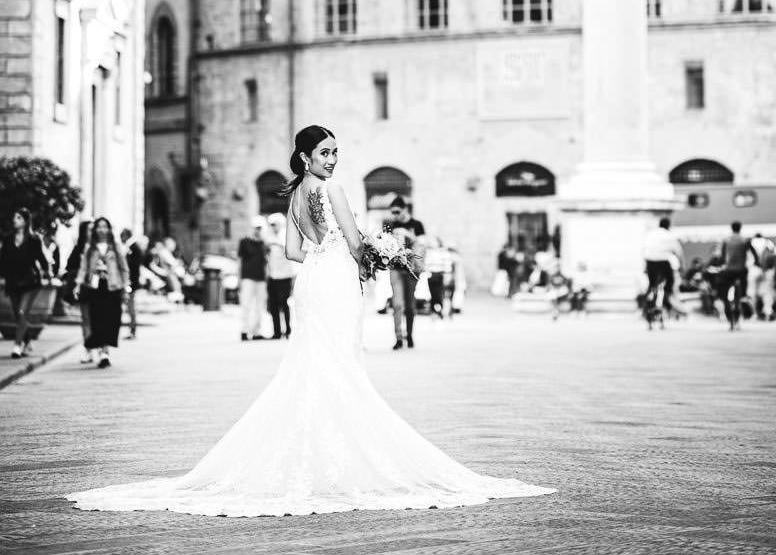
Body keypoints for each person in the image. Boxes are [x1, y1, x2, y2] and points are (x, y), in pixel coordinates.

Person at [68, 124, 555, 515]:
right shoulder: (333, 189)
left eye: (335, 152)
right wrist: (379, 251)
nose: (332, 159)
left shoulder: (295, 194)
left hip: (313, 284)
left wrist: (333, 258)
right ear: (305, 156)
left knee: (313, 363)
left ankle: (317, 450)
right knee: (340, 362)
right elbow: (355, 239)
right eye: (324, 152)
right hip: (336, 284)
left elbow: (294, 251)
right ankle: (342, 455)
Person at [75, 217, 130, 369]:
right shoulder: (90, 248)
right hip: (95, 287)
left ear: (109, 229)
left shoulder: (115, 246)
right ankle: (101, 351)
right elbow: (83, 268)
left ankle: (104, 351)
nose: (101, 229)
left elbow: (124, 268)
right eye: (99, 226)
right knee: (97, 320)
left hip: (112, 286)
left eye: (105, 226)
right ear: (95, 230)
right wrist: (78, 285)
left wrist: (126, 287)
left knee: (110, 319)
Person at [0, 209, 51, 358]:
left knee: (22, 312)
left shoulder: (34, 239)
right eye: (14, 218)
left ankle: (17, 346)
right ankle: (27, 342)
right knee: (18, 315)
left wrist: (48, 273)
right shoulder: (8, 239)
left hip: (30, 281)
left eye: (19, 218)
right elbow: (3, 260)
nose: (15, 220)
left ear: (26, 221)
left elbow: (41, 258)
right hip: (13, 282)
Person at [384, 196, 425, 350]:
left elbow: (422, 244)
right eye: (392, 212)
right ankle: (398, 338)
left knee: (410, 304)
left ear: (405, 209)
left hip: (412, 268)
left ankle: (410, 335)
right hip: (395, 267)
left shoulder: (417, 224)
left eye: (397, 211)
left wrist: (408, 235)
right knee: (397, 304)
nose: (394, 215)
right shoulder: (391, 225)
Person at [64, 220, 94, 362]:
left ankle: (100, 348)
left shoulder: (100, 247)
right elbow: (70, 266)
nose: (92, 231)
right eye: (89, 229)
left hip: (99, 287)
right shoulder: (79, 248)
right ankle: (88, 349)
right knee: (86, 319)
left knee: (98, 319)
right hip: (84, 287)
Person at [717, 222, 757, 323]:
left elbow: (722, 255)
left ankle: (725, 301)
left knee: (725, 291)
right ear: (740, 228)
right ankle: (743, 295)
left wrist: (723, 262)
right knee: (742, 288)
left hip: (729, 270)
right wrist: (757, 261)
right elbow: (753, 253)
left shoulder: (726, 239)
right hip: (740, 270)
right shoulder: (744, 240)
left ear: (732, 228)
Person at [642, 217, 683, 312]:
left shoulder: (651, 234)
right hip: (664, 261)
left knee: (652, 284)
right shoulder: (669, 235)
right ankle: (666, 300)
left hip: (650, 261)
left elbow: (644, 249)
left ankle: (649, 298)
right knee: (669, 281)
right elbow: (678, 252)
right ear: (668, 225)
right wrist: (681, 266)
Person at [265, 214, 295, 340]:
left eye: (274, 224)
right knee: (273, 305)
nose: (272, 227)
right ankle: (277, 332)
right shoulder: (269, 236)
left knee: (284, 304)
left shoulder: (285, 235)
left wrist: (276, 243)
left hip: (285, 275)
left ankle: (288, 330)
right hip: (273, 276)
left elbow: (289, 251)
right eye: (271, 224)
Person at [238, 217, 268, 341]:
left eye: (260, 228)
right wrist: (239, 279)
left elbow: (267, 262)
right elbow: (239, 261)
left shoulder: (264, 243)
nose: (257, 230)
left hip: (261, 279)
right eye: (256, 228)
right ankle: (244, 331)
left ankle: (256, 332)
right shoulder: (244, 242)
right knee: (246, 305)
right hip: (247, 278)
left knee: (260, 307)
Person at [750, 232, 776, 321]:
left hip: (754, 269)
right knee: (767, 292)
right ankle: (767, 312)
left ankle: (754, 313)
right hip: (767, 270)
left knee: (753, 293)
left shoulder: (750, 242)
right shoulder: (768, 242)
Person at [120, 229, 143, 339]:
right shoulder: (132, 247)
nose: (121, 239)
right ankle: (131, 329)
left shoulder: (133, 248)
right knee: (129, 307)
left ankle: (133, 330)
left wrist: (129, 282)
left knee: (131, 307)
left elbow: (132, 267)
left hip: (131, 283)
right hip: (130, 282)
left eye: (122, 236)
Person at [425, 238, 454, 319]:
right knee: (432, 294)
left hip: (440, 275)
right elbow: (426, 264)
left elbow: (447, 265)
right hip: (431, 275)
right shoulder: (429, 252)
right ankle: (433, 310)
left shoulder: (443, 252)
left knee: (439, 294)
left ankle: (439, 310)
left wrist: (446, 275)